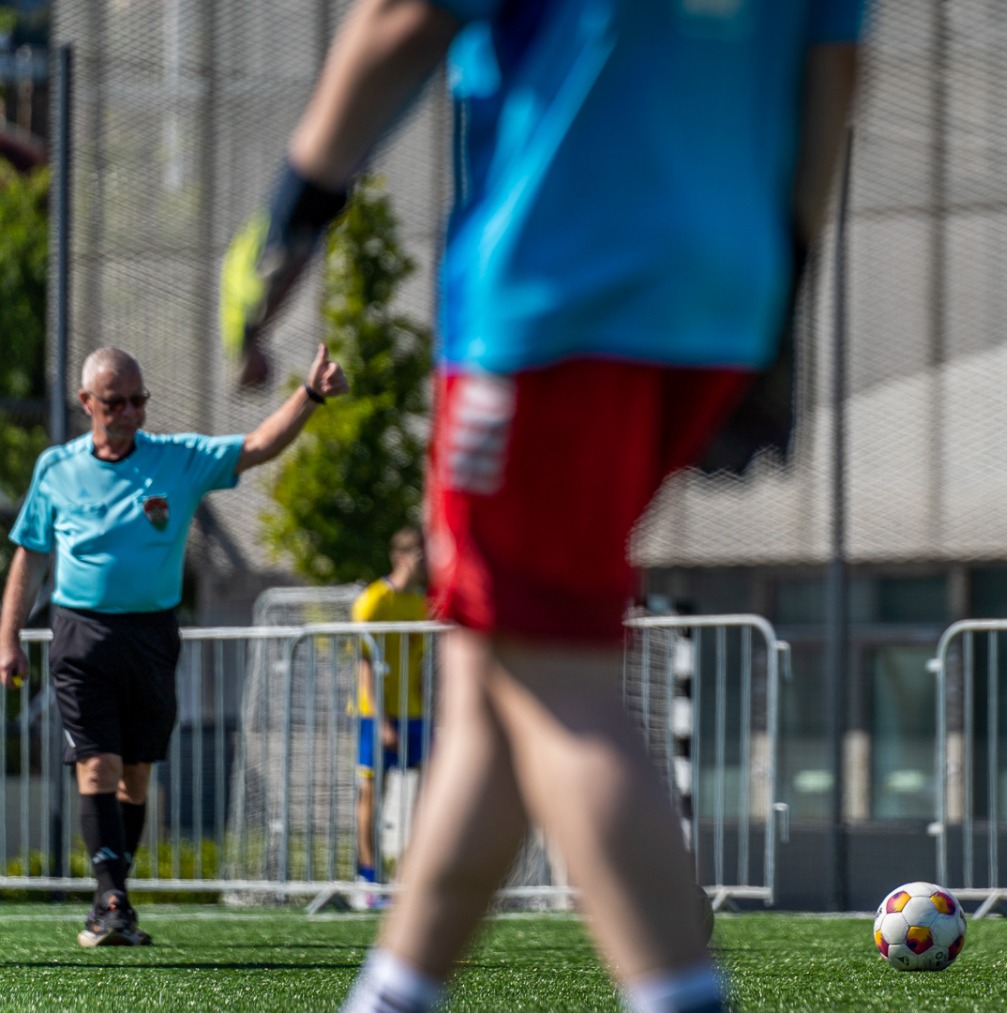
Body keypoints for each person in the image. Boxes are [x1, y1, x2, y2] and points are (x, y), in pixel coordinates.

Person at [216, 3, 860, 1010]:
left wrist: (294, 210)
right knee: (489, 689)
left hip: (557, 288)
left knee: (554, 684)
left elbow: (402, 17)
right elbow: (834, 72)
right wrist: (778, 291)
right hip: (722, 292)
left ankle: (679, 985)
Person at [0, 344, 348, 947]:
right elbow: (29, 556)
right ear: (86, 403)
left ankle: (114, 895)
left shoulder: (178, 459)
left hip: (152, 635)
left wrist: (310, 395)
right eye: (116, 402)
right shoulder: (56, 468)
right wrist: (7, 638)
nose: (130, 413)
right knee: (98, 762)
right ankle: (110, 900)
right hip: (81, 636)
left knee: (136, 775)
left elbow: (257, 445)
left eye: (139, 401)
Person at [351, 526, 431, 909]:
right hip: (376, 714)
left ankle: (408, 879)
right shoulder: (374, 601)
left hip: (413, 713)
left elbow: (417, 666)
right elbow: (365, 664)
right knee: (371, 792)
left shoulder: (420, 604)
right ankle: (367, 880)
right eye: (419, 555)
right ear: (401, 557)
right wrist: (381, 720)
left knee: (433, 790)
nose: (425, 562)